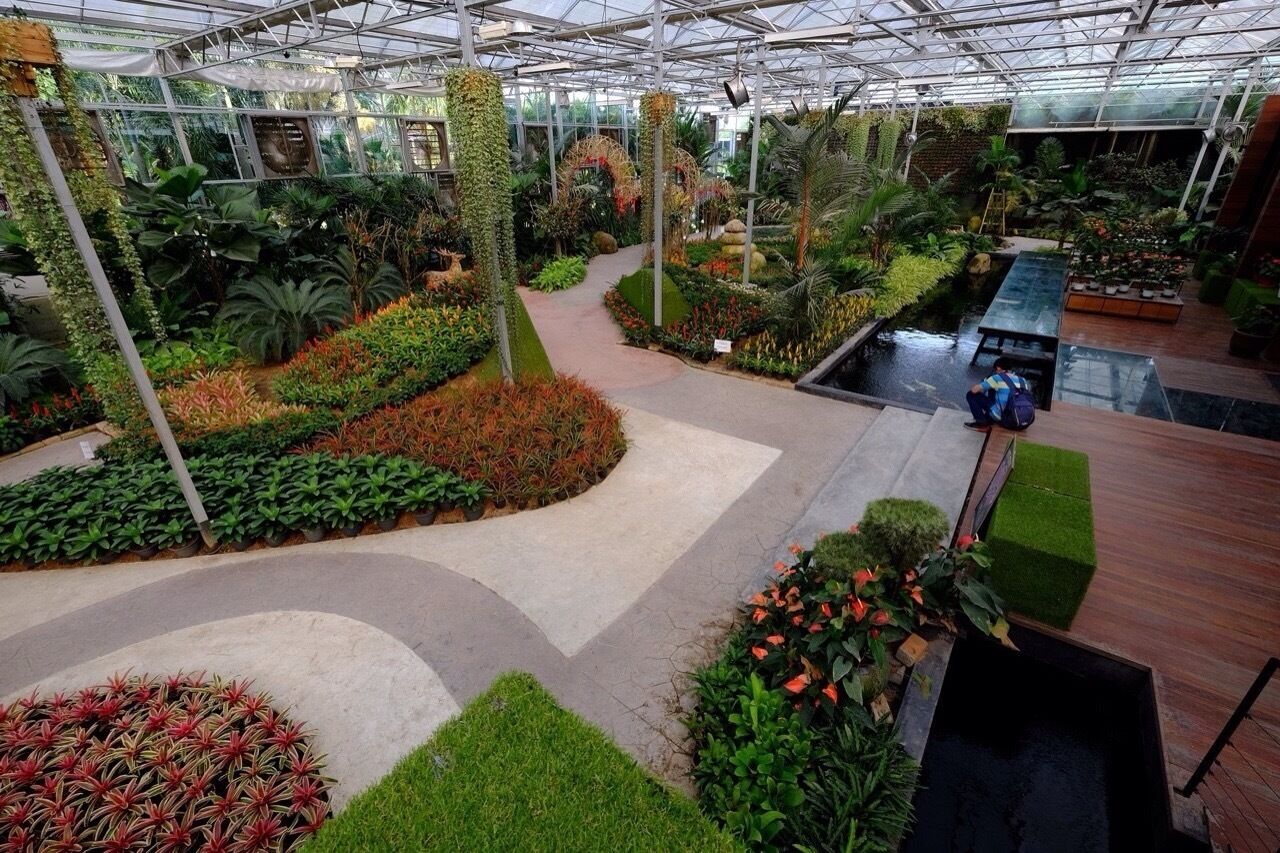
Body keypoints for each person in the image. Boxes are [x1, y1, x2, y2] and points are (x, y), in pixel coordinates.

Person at [965, 358, 1033, 432]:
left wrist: (986, 381)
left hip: (1003, 418)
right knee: (998, 390)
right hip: (1020, 418)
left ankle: (981, 423)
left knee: (970, 395)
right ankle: (991, 416)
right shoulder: (1022, 380)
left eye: (995, 370)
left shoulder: (997, 377)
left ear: (998, 368)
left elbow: (974, 390)